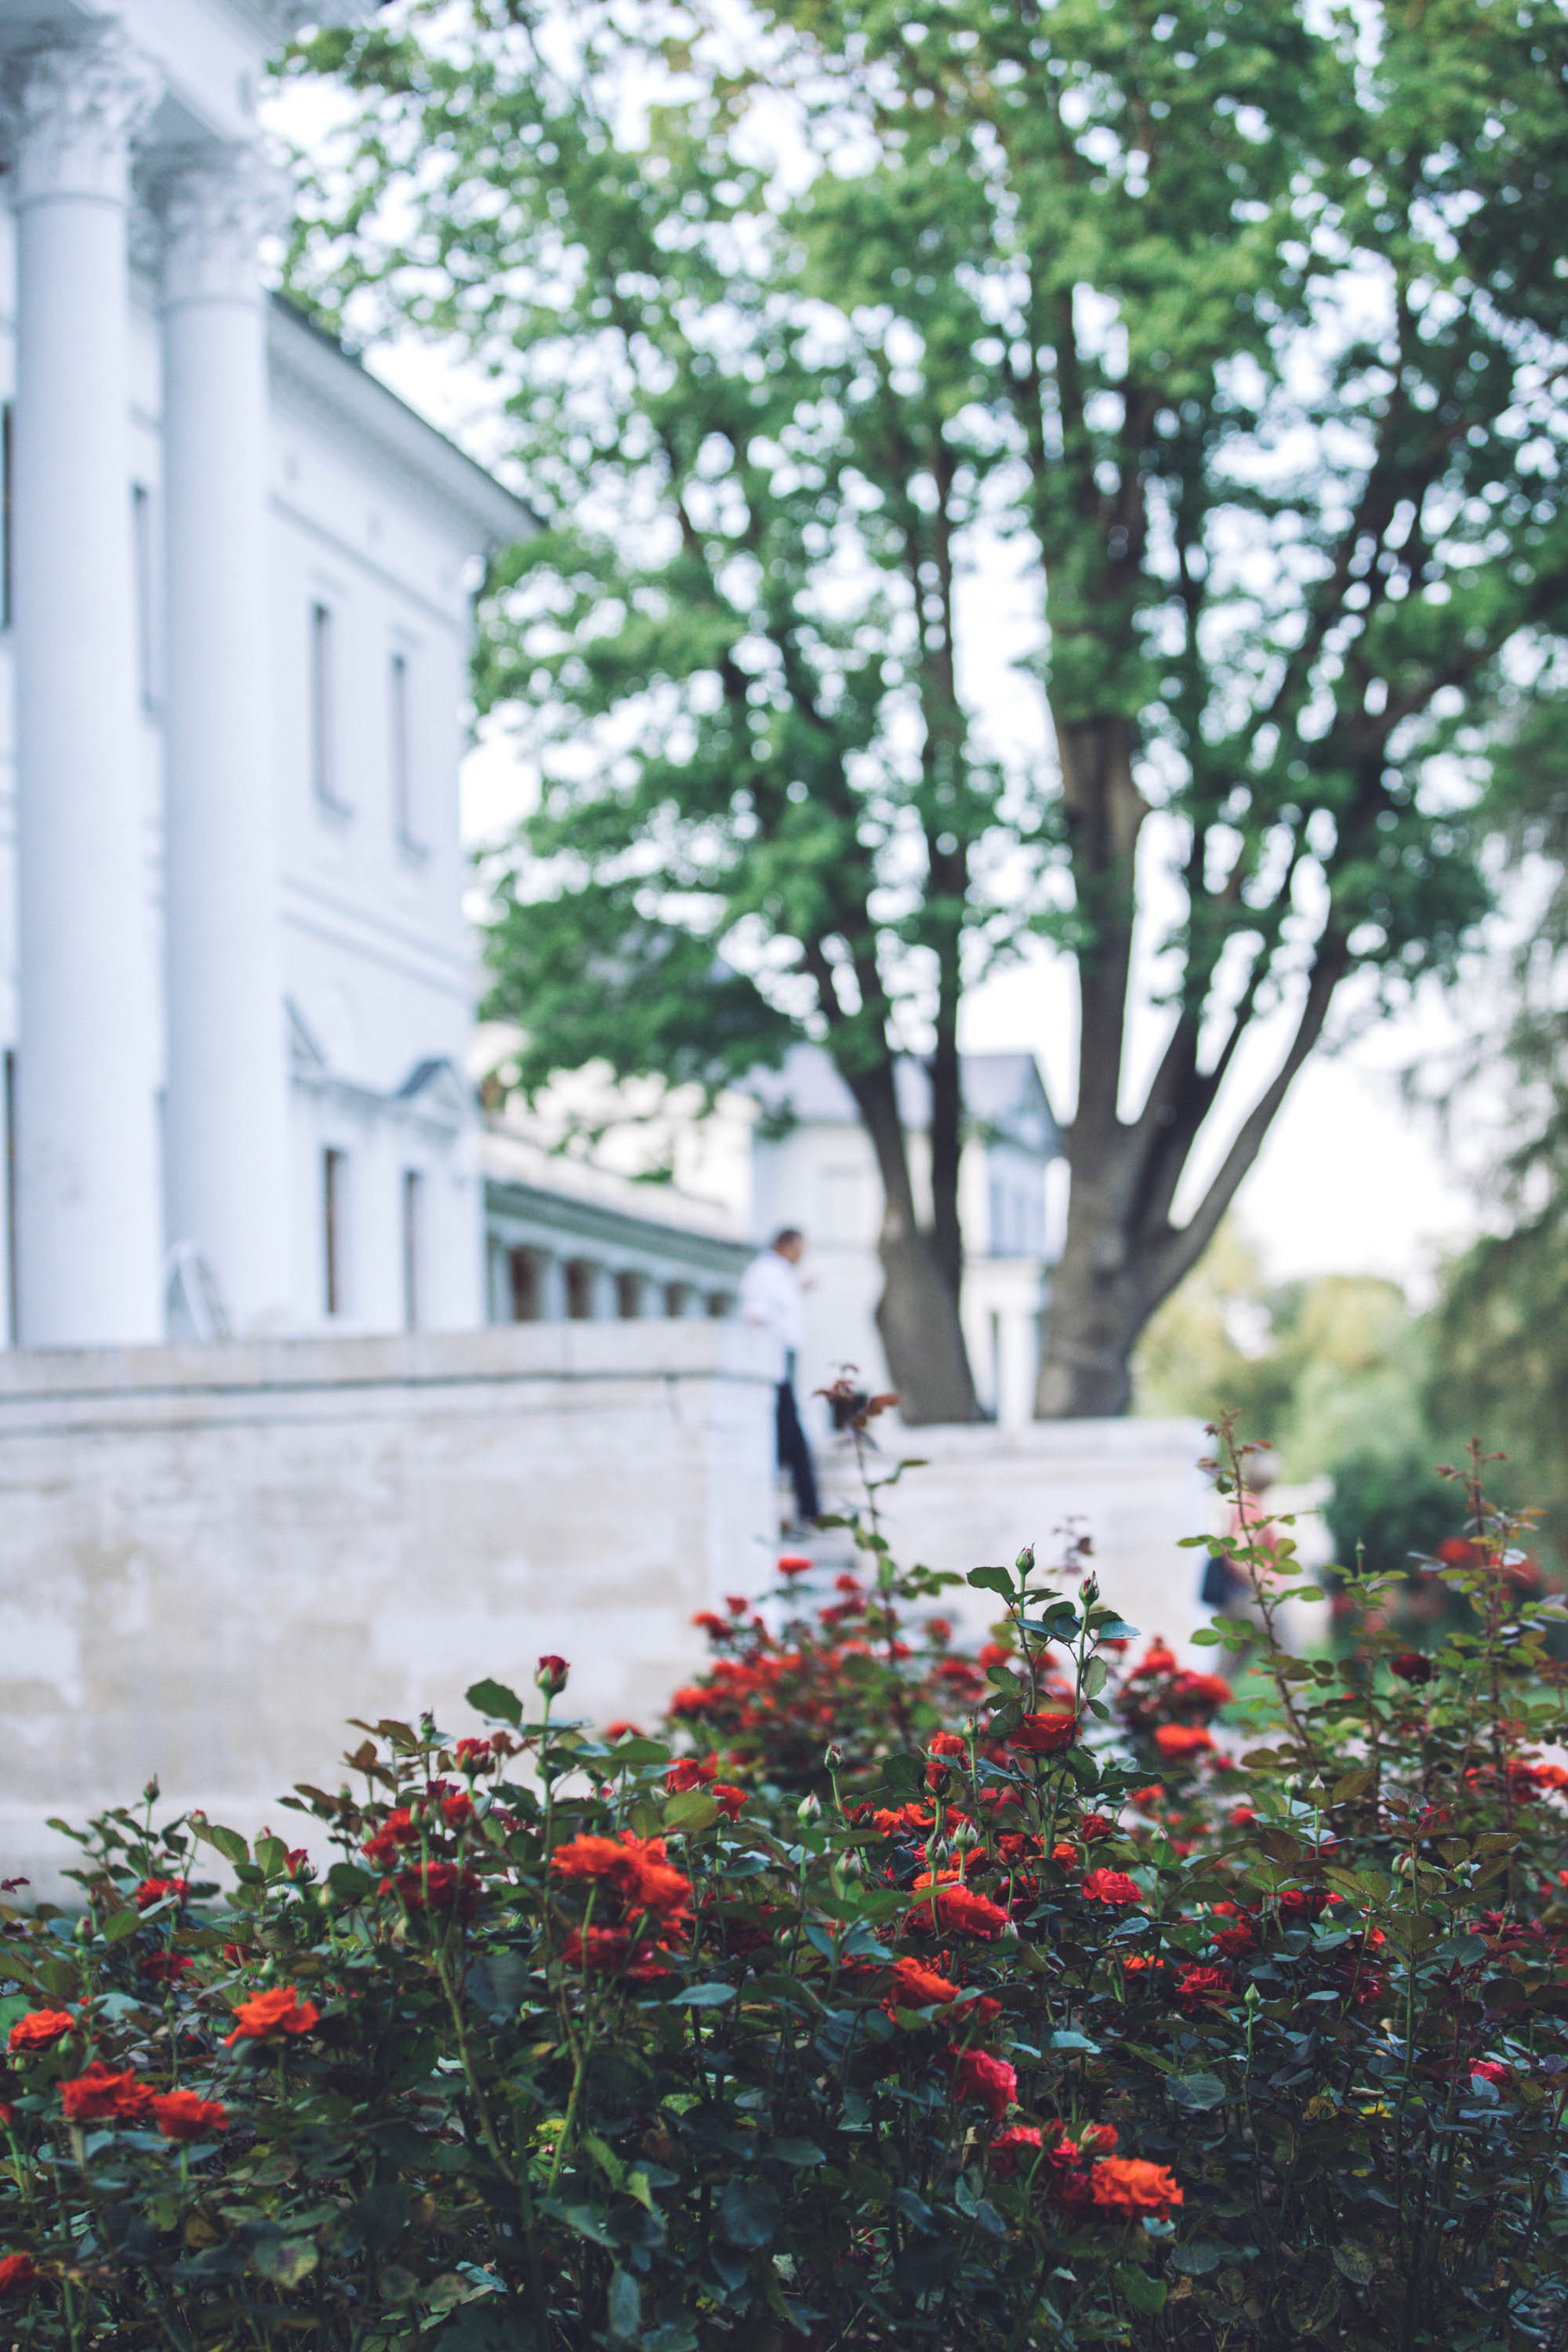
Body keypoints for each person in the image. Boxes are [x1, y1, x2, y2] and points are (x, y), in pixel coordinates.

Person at [739, 1227, 820, 1530]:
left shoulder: (778, 1274)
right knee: (789, 1437)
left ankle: (803, 1509)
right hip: (774, 1360)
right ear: (785, 1245)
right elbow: (757, 1314)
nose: (802, 1256)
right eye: (800, 1249)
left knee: (789, 1438)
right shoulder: (765, 1272)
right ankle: (807, 1510)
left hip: (781, 1358)